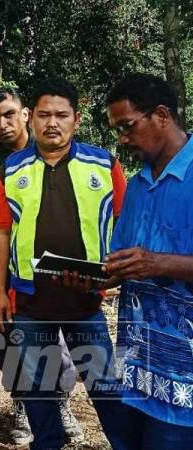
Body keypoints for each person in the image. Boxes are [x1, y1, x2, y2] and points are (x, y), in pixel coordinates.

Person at [0, 77, 130, 449]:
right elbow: (1, 233)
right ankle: (48, 443)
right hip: (31, 303)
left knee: (106, 388)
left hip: (86, 302)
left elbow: (128, 224)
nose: (53, 123)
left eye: (62, 115)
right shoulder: (10, 171)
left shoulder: (104, 165)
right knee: (36, 391)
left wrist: (116, 275)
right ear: (31, 118)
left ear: (76, 120)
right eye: (45, 114)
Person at [0, 87, 81, 445]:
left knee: (57, 341)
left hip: (52, 270)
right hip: (4, 273)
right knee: (8, 339)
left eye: (9, 114)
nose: (2, 124)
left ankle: (59, 405)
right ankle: (22, 405)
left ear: (26, 113)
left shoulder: (54, 150)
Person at [105, 73, 193, 449]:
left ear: (161, 115)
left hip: (185, 383)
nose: (123, 139)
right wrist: (95, 277)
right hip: (137, 369)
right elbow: (127, 260)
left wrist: (157, 263)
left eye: (127, 126)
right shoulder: (138, 184)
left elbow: (149, 262)